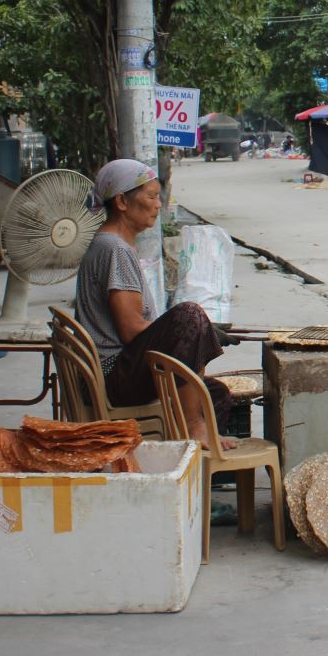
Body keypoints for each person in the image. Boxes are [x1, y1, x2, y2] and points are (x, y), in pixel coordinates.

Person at [75, 159, 235, 448]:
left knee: (216, 394)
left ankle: (196, 469)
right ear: (122, 201)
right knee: (189, 314)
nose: (158, 204)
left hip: (116, 374)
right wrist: (191, 330)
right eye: (151, 196)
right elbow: (130, 329)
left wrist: (200, 333)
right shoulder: (114, 249)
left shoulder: (110, 244)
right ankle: (193, 428)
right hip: (112, 376)